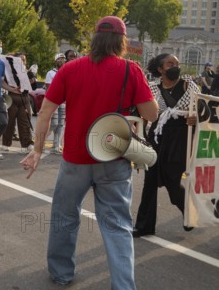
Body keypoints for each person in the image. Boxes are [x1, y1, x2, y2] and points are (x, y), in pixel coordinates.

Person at [20, 16, 159, 288]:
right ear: (122, 42)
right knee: (117, 225)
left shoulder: (70, 69)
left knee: (65, 215)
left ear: (94, 39)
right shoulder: (132, 71)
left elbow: (46, 111)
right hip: (115, 157)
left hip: (75, 159)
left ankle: (61, 274)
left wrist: (38, 150)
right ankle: (123, 285)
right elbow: (151, 113)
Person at [133, 54, 199, 236]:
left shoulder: (189, 86)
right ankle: (144, 226)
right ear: (160, 69)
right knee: (150, 180)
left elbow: (202, 109)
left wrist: (196, 117)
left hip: (180, 138)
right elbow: (144, 112)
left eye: (177, 63)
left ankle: (190, 212)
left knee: (172, 181)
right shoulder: (152, 88)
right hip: (157, 136)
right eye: (170, 63)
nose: (175, 66)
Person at [43, 53, 67, 154]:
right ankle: (41, 142)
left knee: (60, 124)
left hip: (63, 101)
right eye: (59, 59)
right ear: (55, 61)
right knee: (53, 123)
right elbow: (48, 87)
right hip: (53, 102)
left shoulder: (67, 72)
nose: (62, 61)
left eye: (63, 59)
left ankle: (56, 145)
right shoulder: (51, 73)